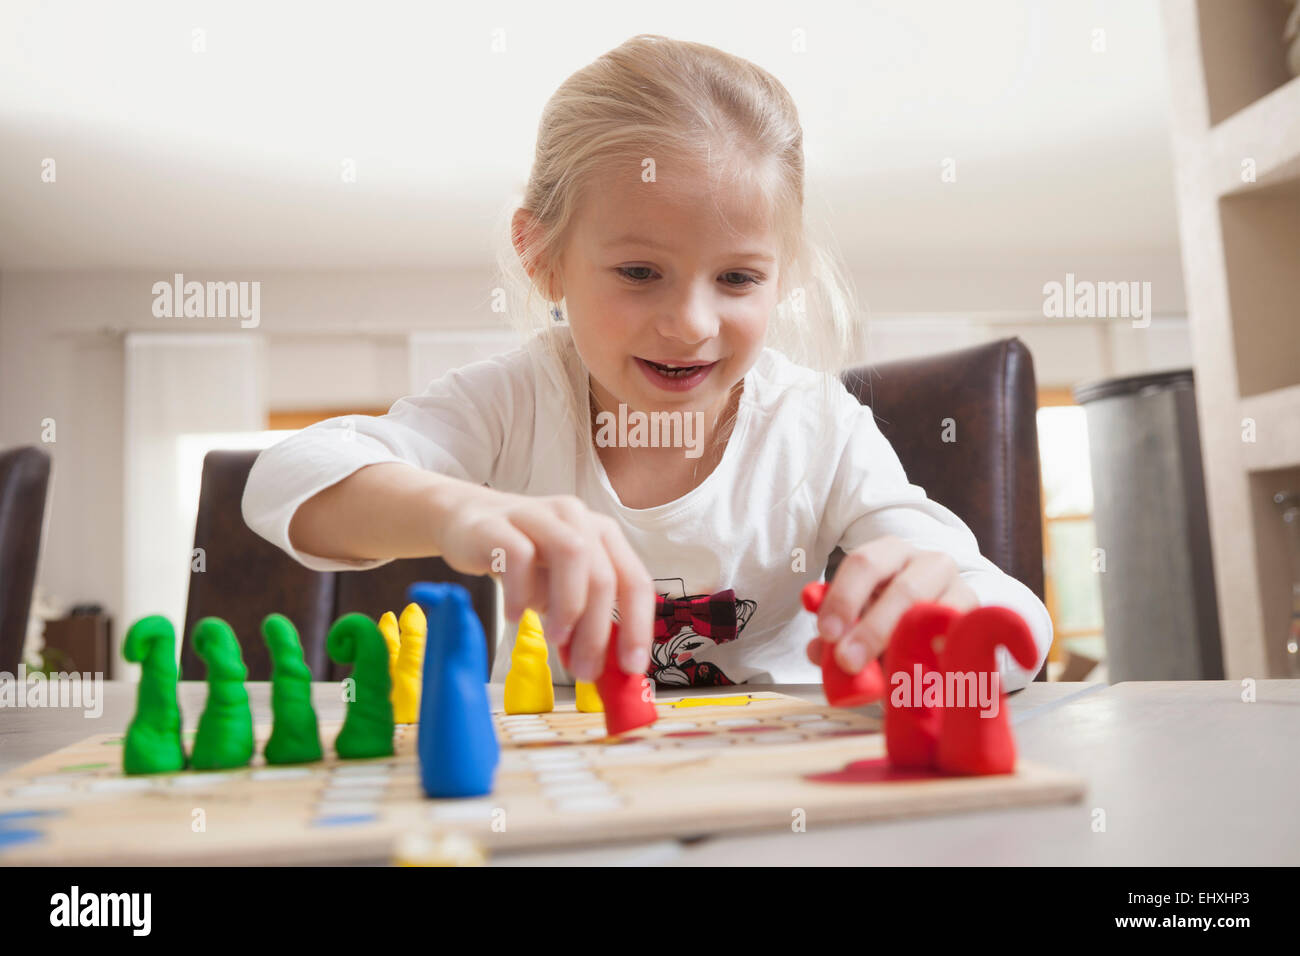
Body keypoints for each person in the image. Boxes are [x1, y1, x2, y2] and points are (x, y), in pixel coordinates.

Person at [242, 34, 1052, 691]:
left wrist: (948, 619)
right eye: (638, 273)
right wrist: (458, 513)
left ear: (781, 273)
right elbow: (290, 478)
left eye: (737, 278)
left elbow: (1016, 626)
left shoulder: (820, 428)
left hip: (779, 795)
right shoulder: (511, 405)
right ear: (544, 258)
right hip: (560, 781)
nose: (691, 324)